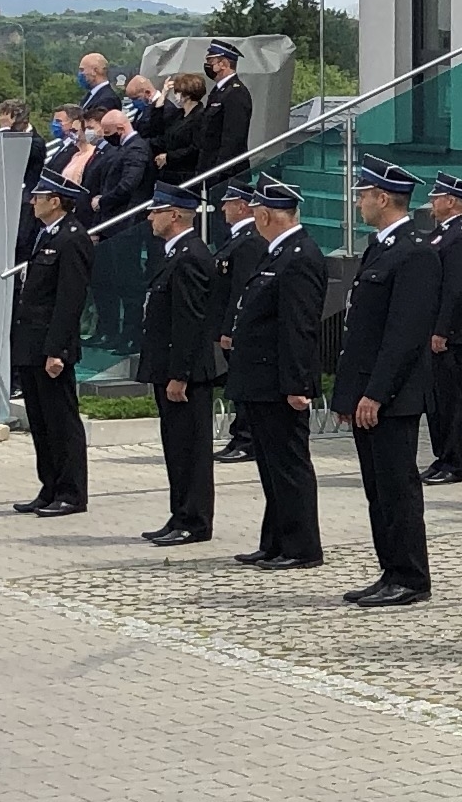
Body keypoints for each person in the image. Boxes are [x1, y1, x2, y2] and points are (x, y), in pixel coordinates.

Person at [337, 159, 440, 606]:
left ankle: (411, 576)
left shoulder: (415, 252)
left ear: (383, 198)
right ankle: (390, 569)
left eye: (364, 195)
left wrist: (377, 393)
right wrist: (349, 394)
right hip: (367, 391)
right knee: (378, 490)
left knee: (397, 488)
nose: (358, 203)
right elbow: (360, 332)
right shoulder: (379, 248)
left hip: (391, 396)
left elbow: (404, 334)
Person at [228, 177, 328, 568]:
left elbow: (299, 326)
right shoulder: (278, 252)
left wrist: (297, 384)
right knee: (271, 466)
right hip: (261, 380)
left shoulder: (300, 256)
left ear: (266, 215)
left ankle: (301, 546)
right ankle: (275, 540)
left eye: (256, 213)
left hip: (279, 382)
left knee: (289, 466)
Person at [138, 183, 226, 545]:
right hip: (168, 367)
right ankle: (180, 514)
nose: (150, 217)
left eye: (156, 211)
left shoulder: (190, 256)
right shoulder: (175, 253)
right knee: (176, 447)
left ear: (174, 215)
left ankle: (194, 520)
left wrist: (180, 375)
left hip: (184, 373)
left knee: (190, 449)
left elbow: (189, 322)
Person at [9, 181, 89, 513]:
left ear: (55, 201)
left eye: (39, 198)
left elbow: (70, 301)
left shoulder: (72, 238)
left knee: (61, 422)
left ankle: (70, 492)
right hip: (31, 344)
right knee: (41, 423)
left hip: (51, 347)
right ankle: (50, 486)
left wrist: (57, 350)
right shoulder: (46, 235)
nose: (32, 202)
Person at [421, 174, 462, 483]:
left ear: (451, 201)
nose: (432, 203)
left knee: (452, 399)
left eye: (436, 198)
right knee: (437, 399)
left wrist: (442, 329)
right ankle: (442, 456)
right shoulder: (443, 233)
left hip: (453, 334)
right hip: (436, 328)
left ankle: (456, 462)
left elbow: (458, 288)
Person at [214, 183, 266, 464]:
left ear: (243, 206)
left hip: (235, 328)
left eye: (229, 202)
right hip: (226, 323)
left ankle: (246, 439)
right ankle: (240, 436)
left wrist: (229, 328)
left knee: (242, 385)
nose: (223, 207)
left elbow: (240, 289)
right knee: (237, 385)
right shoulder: (238, 238)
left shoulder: (249, 241)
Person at [192, 38, 254, 190]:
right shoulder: (219, 91)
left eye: (211, 61)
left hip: (226, 174)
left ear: (224, 64)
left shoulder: (236, 92)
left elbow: (233, 137)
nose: (207, 65)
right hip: (210, 168)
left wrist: (219, 172)